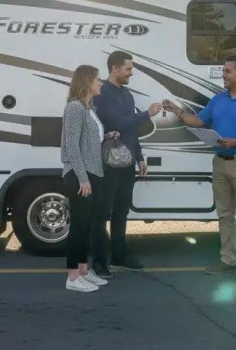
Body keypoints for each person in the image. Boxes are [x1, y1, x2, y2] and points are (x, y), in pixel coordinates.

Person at [161, 55, 236, 283]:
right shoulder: (218, 99)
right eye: (224, 71)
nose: (224, 74)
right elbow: (201, 122)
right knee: (225, 214)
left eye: (228, 71)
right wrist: (178, 111)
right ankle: (228, 260)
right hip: (220, 163)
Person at [91, 51, 162, 277]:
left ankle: (120, 256)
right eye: (128, 69)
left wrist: (139, 157)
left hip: (127, 162)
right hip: (109, 163)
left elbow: (130, 130)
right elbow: (115, 122)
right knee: (102, 212)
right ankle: (100, 262)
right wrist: (146, 114)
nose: (131, 73)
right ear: (114, 68)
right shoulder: (102, 93)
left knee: (122, 210)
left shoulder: (127, 94)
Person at [60, 64, 110, 293]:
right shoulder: (74, 108)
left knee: (88, 226)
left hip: (94, 173)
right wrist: (82, 178)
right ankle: (72, 278)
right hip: (81, 175)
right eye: (98, 79)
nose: (101, 83)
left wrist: (108, 135)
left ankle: (83, 271)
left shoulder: (90, 108)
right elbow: (72, 147)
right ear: (87, 81)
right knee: (78, 228)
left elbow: (89, 141)